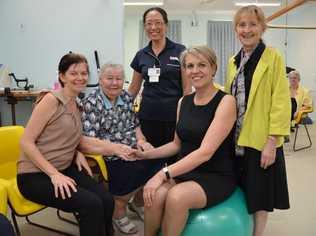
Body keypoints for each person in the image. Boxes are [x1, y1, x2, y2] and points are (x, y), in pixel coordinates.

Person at [132, 46, 237, 236]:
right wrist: (146, 154)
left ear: (213, 68)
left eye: (202, 65)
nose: (195, 70)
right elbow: (176, 144)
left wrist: (161, 174)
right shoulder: (184, 101)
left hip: (215, 174)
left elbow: (205, 152)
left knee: (176, 197)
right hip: (185, 170)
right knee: (154, 196)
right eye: (189, 66)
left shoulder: (226, 102)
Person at [17, 53, 114, 236]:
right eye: (74, 73)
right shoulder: (51, 100)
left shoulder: (76, 103)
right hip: (35, 175)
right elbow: (26, 142)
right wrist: (54, 174)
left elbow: (69, 136)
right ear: (62, 76)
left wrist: (76, 151)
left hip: (63, 166)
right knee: (91, 204)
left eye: (84, 73)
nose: (80, 78)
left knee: (106, 199)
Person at [225, 6, 291, 236]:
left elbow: (281, 101)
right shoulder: (233, 61)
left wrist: (272, 141)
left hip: (262, 139)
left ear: (262, 27)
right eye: (242, 25)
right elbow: (228, 100)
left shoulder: (273, 57)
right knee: (241, 189)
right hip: (236, 138)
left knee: (260, 194)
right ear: (236, 29)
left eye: (253, 24)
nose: (247, 29)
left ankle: (257, 234)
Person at [81, 63, 159, 234]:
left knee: (157, 160)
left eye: (119, 79)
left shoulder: (126, 97)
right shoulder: (91, 103)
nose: (114, 83)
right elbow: (88, 140)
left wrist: (142, 141)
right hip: (108, 152)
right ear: (100, 80)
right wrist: (116, 149)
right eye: (109, 78)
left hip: (131, 147)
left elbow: (135, 125)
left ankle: (138, 203)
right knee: (128, 168)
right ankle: (119, 210)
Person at [129, 7, 191, 166]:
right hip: (148, 117)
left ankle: (172, 191)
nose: (153, 27)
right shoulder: (141, 55)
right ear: (144, 27)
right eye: (149, 24)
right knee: (148, 161)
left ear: (166, 25)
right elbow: (133, 89)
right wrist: (120, 108)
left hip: (173, 118)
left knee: (174, 161)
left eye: (158, 23)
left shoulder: (180, 51)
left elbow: (187, 89)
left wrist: (184, 116)